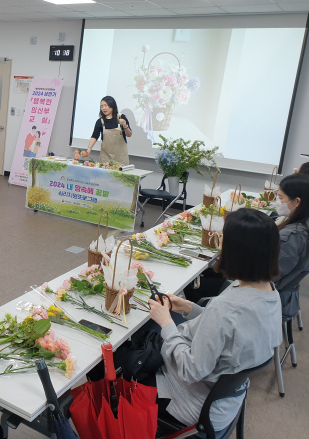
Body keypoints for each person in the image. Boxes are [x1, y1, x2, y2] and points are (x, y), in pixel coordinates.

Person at [148, 208, 281, 433]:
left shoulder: (226, 307)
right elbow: (231, 332)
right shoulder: (270, 292)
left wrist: (166, 323)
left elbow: (190, 370)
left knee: (128, 355)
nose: (219, 243)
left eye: (223, 239)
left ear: (236, 251)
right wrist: (189, 308)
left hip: (195, 402)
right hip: (226, 398)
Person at [273, 174, 309, 320]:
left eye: (281, 198)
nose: (278, 202)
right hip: (283, 293)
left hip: (274, 301)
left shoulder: (292, 236)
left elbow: (268, 276)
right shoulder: (302, 225)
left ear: (297, 201)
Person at [86, 96, 132, 165]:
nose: (103, 108)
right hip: (106, 158)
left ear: (112, 106)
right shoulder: (100, 121)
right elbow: (94, 136)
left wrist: (125, 126)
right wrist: (89, 148)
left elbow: (129, 134)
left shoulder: (121, 118)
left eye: (106, 105)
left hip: (120, 158)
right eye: (101, 106)